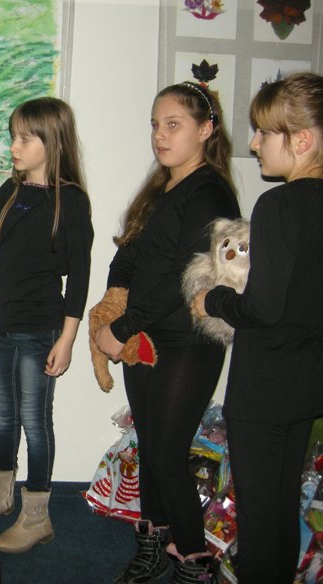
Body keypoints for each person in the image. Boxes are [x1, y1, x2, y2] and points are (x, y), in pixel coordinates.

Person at [94, 79, 240, 583]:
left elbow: (181, 278)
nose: (160, 135)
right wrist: (114, 298)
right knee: (151, 447)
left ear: (206, 130)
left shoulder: (209, 191)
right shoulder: (160, 190)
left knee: (166, 452)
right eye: (156, 125)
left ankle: (195, 562)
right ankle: (153, 544)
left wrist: (122, 326)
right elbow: (129, 255)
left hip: (187, 342)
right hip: (148, 338)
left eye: (173, 124)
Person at [191, 72, 323, 584]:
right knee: (282, 508)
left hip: (265, 388)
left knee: (260, 517)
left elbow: (263, 308)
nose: (254, 143)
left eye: (265, 133)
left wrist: (212, 299)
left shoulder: (280, 204)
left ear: (302, 141)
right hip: (307, 381)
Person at [0, 97, 93, 554]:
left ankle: (37, 516)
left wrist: (68, 339)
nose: (14, 146)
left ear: (52, 142)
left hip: (41, 330)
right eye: (13, 136)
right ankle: (1, 495)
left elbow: (80, 275)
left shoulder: (70, 200)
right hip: (2, 324)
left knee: (35, 421)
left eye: (24, 138)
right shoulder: (13, 189)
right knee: (4, 413)